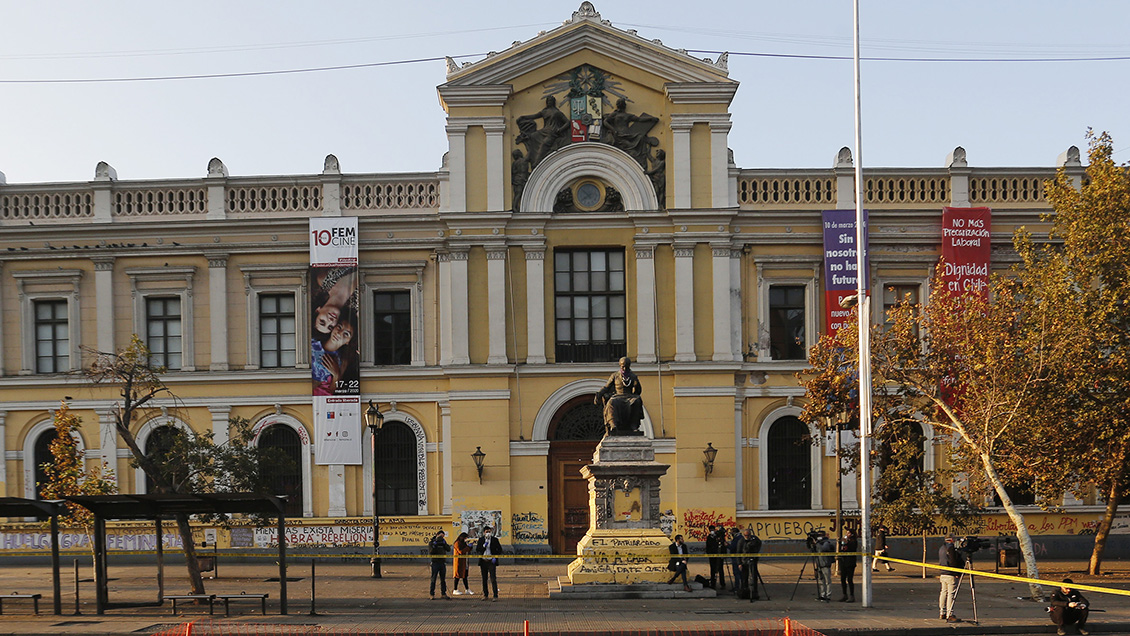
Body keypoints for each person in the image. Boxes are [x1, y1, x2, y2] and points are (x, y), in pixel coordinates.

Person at [594, 356, 645, 435]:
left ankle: (634, 426)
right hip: (618, 396)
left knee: (637, 401)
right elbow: (607, 387)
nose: (624, 369)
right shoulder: (615, 375)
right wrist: (599, 394)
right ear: (620, 366)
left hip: (629, 396)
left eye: (626, 367)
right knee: (611, 402)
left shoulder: (633, 376)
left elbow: (638, 391)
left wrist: (636, 385)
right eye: (623, 366)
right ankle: (613, 424)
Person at [475, 526, 503, 601]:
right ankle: (485, 595)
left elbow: (499, 550)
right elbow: (478, 550)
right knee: (484, 579)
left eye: (489, 532)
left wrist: (495, 557)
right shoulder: (481, 540)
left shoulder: (495, 540)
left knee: (493, 579)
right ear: (484, 532)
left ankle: (495, 595)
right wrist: (484, 546)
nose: (488, 533)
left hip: (491, 562)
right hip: (483, 561)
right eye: (486, 532)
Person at [938, 534, 961, 622]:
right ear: (951, 539)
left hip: (943, 573)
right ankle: (949, 614)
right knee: (951, 594)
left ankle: (942, 612)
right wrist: (956, 572)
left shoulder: (942, 548)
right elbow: (953, 561)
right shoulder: (951, 548)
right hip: (950, 574)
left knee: (943, 592)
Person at [737, 527, 762, 600]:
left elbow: (759, 544)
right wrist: (739, 563)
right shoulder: (741, 541)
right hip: (744, 561)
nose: (747, 537)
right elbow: (738, 552)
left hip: (752, 561)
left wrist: (754, 550)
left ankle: (754, 592)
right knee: (744, 578)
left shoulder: (755, 540)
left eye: (748, 535)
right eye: (745, 535)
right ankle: (745, 592)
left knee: (754, 577)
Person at [813, 530, 835, 602]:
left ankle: (828, 595)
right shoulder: (818, 543)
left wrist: (817, 543)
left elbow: (823, 549)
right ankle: (822, 595)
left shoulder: (826, 542)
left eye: (820, 535)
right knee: (821, 581)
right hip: (819, 564)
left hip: (825, 564)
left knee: (827, 581)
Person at [428, 530, 450, 600]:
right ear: (437, 535)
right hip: (435, 562)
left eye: (443, 536)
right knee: (433, 579)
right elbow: (431, 552)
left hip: (442, 562)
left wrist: (444, 544)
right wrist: (435, 545)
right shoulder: (432, 542)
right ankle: (432, 594)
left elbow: (448, 549)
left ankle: (443, 593)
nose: (442, 538)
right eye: (441, 536)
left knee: (443, 579)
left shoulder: (443, 542)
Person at [838, 528, 858, 602]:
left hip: (850, 562)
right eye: (846, 533)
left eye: (848, 533)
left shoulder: (853, 541)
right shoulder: (844, 541)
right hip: (843, 561)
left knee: (849, 579)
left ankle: (852, 595)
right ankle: (844, 594)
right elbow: (841, 550)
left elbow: (852, 549)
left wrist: (847, 543)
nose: (847, 534)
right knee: (843, 578)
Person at [705, 525, 727, 590]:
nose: (712, 531)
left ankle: (722, 584)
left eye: (712, 530)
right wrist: (709, 554)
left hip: (719, 555)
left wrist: (724, 554)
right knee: (713, 570)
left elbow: (723, 545)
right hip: (712, 556)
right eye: (710, 530)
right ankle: (713, 583)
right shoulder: (709, 537)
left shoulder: (719, 536)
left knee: (720, 569)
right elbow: (708, 546)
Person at [451, 532, 473, 596]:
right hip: (459, 562)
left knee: (465, 576)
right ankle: (455, 589)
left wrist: (470, 546)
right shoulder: (457, 543)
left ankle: (467, 589)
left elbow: (467, 550)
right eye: (465, 538)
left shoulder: (464, 543)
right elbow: (461, 551)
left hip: (464, 562)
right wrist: (468, 547)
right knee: (457, 576)